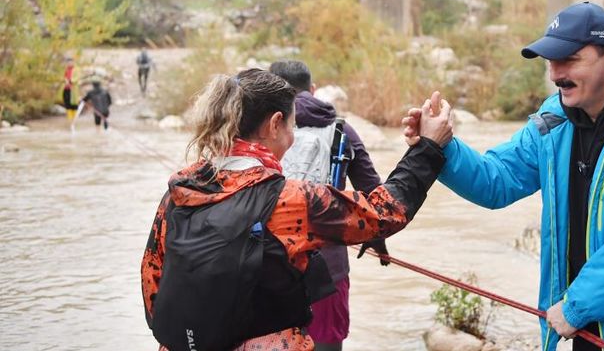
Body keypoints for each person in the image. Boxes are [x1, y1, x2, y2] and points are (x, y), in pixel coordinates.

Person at [403, 2, 604, 350]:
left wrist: (574, 306)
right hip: (587, 328)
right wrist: (440, 146)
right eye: (551, 61)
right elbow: (496, 180)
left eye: (569, 59)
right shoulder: (556, 119)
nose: (556, 73)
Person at [140, 68, 453, 351]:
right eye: (292, 124)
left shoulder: (180, 192)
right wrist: (428, 146)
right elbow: (383, 212)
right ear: (276, 124)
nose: (292, 135)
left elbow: (152, 284)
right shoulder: (288, 200)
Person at [269, 60, 386, 351]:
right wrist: (378, 242)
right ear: (313, 89)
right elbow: (374, 193)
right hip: (329, 267)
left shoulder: (260, 127)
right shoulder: (341, 130)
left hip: (269, 265)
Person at [61, 56, 78, 122]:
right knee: (67, 103)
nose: (69, 64)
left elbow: (77, 78)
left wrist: (70, 81)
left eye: (71, 62)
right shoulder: (65, 69)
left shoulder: (76, 70)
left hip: (73, 89)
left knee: (74, 104)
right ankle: (70, 119)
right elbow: (63, 76)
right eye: (68, 62)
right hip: (66, 88)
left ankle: (74, 119)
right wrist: (65, 80)